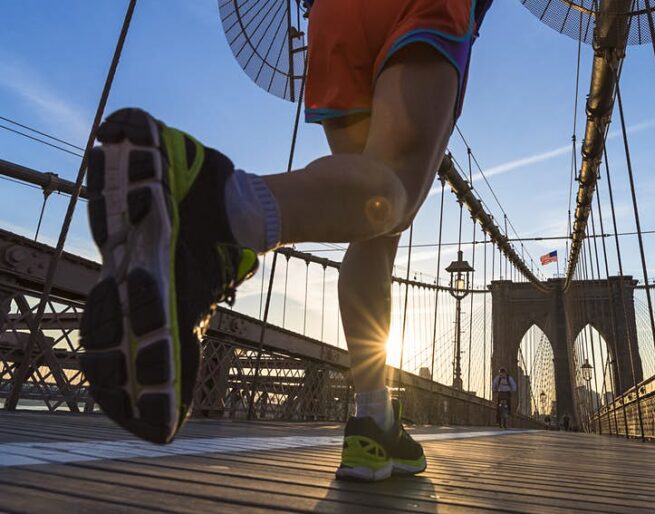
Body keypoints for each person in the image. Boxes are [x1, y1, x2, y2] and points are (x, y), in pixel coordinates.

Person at [79, 0, 494, 483]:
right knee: (393, 190)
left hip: (334, 16)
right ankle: (214, 209)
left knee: (373, 224)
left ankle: (373, 420)